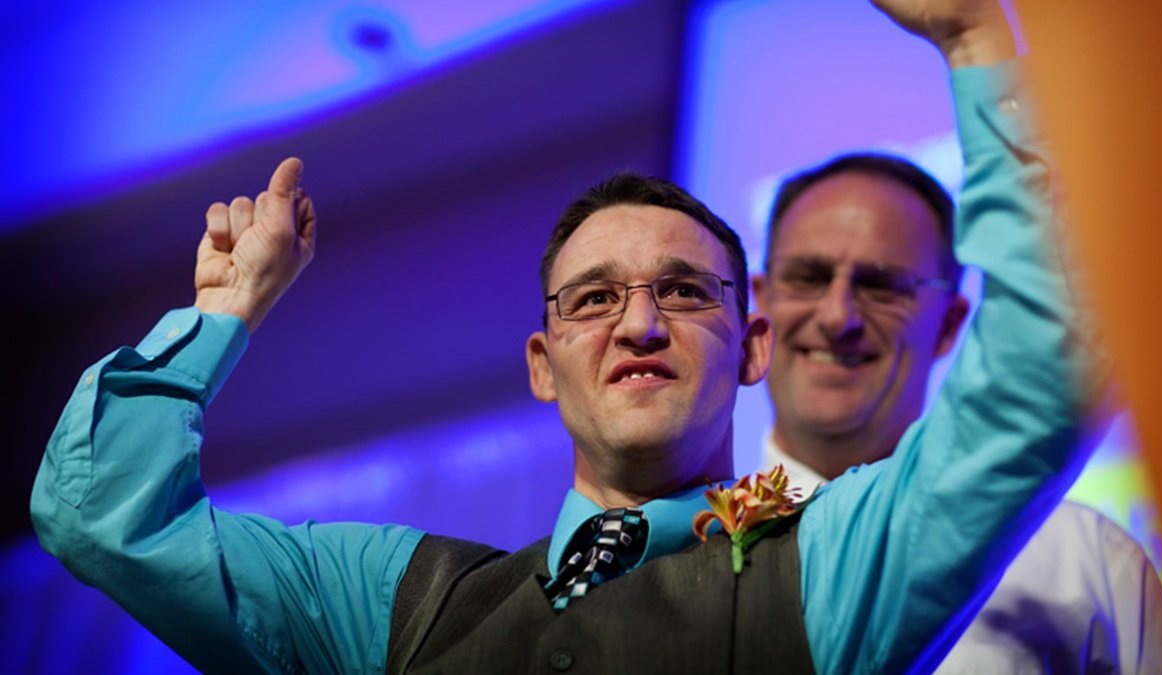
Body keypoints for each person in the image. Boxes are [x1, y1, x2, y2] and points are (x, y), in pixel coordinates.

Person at [32, 1, 1096, 673]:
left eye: (683, 292)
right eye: (591, 299)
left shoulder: (830, 566)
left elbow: (1039, 382)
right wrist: (221, 318)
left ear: (753, 347)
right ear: (543, 367)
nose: (638, 321)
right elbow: (102, 520)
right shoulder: (393, 600)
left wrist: (975, 41)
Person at [751, 14, 1162, 675]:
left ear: (950, 325)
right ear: (759, 306)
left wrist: (976, 43)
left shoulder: (1083, 560)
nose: (838, 315)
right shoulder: (679, 565)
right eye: (809, 277)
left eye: (882, 285)